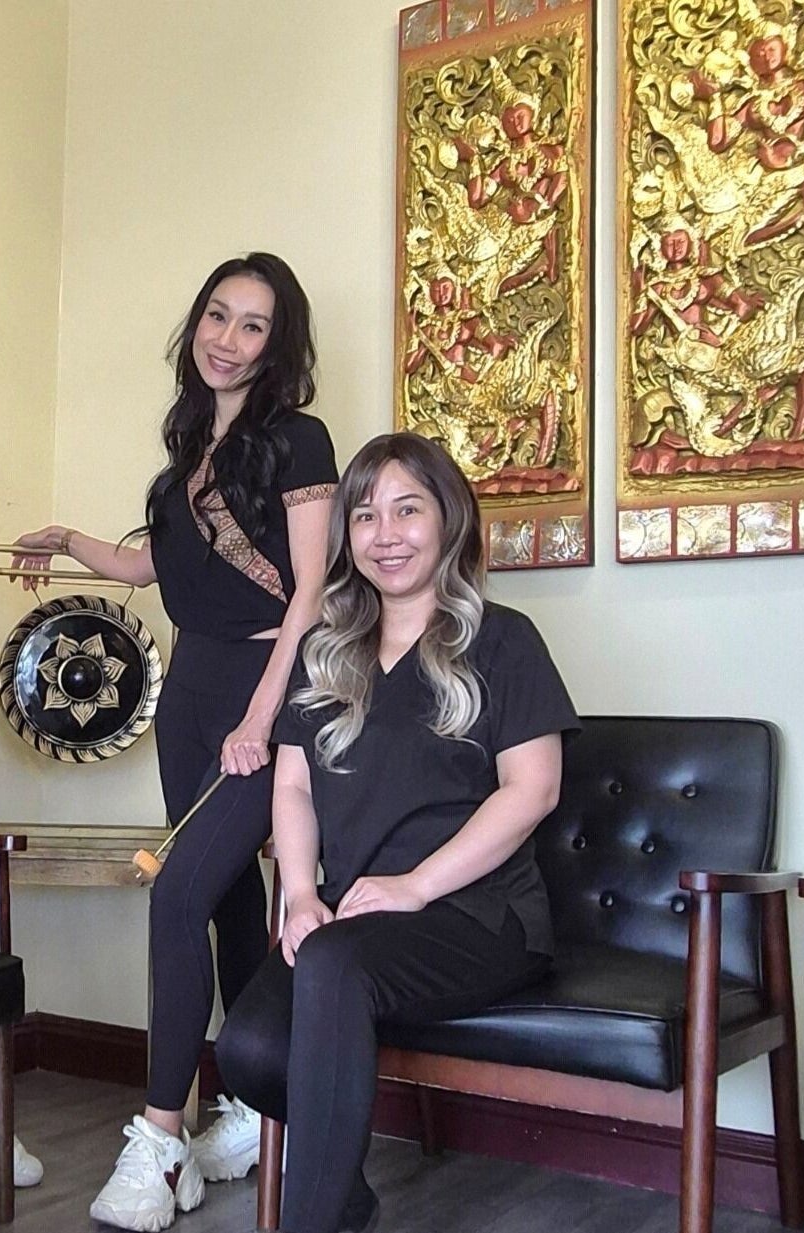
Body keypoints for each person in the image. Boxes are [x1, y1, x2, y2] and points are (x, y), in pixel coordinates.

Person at [14, 253, 337, 1230]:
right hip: (189, 691)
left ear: (276, 346)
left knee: (175, 892)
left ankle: (160, 1142)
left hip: (261, 686)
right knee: (226, 897)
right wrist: (67, 540)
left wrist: (263, 718)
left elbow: (311, 591)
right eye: (216, 315)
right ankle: (250, 1110)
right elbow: (144, 568)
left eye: (252, 325)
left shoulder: (298, 440)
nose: (227, 339)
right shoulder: (187, 455)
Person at [214, 432, 578, 1233]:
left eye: (407, 510)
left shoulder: (504, 639)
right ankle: (344, 1203)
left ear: (448, 518)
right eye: (366, 515)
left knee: (335, 966)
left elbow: (534, 788)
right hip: (353, 918)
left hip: (478, 915)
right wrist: (300, 896)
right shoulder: (324, 651)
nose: (386, 534)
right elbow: (293, 785)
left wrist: (415, 886)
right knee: (249, 1049)